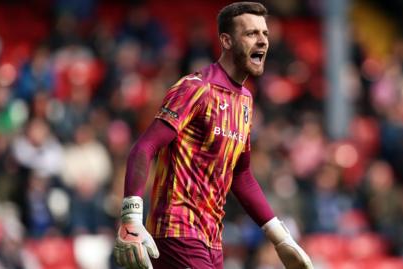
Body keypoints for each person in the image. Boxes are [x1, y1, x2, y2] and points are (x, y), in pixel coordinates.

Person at [112, 2, 314, 269]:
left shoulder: (245, 101)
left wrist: (279, 237)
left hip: (212, 238)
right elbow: (144, 148)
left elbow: (241, 176)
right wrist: (131, 217)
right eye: (252, 33)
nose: (262, 41)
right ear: (226, 41)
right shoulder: (196, 88)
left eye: (265, 34)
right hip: (177, 229)